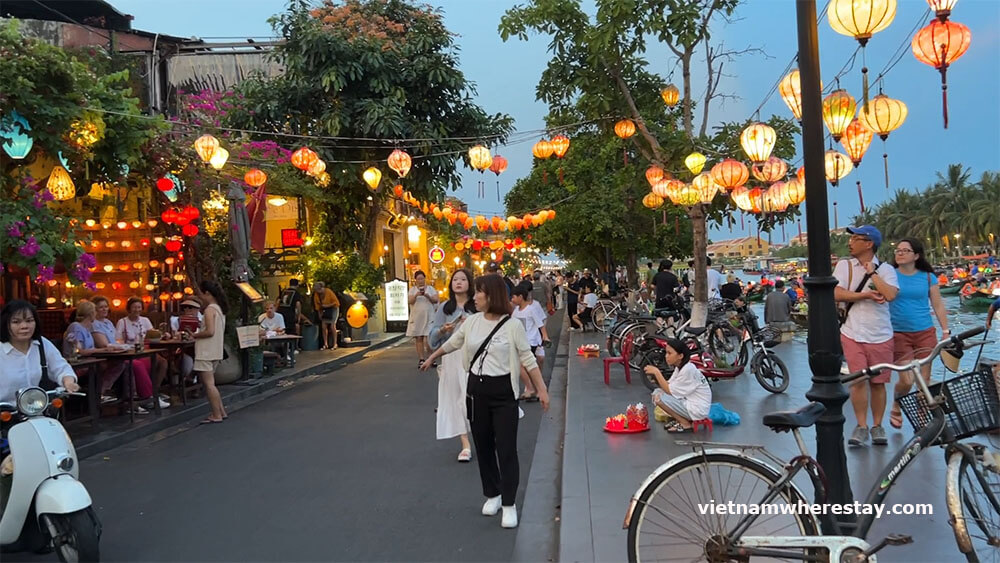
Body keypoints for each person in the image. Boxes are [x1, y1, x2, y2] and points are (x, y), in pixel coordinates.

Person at [419, 274, 549, 529]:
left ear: (492, 295)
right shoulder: (472, 322)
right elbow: (453, 343)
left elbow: (527, 358)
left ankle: (509, 504)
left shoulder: (512, 326)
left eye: (479, 292)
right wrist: (431, 357)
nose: (475, 296)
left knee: (506, 449)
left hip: (504, 393)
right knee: (484, 447)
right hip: (477, 391)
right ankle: (493, 494)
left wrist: (541, 390)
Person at [834, 225, 899, 447]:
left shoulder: (886, 269)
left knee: (879, 383)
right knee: (858, 381)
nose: (850, 242)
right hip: (852, 331)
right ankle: (861, 425)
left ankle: (877, 425)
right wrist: (865, 295)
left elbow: (890, 294)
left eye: (856, 239)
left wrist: (872, 273)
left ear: (869, 243)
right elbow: (836, 293)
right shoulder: (845, 266)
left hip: (880, 333)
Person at [887, 238, 951, 431]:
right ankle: (897, 403)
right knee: (906, 381)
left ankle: (922, 420)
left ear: (916, 255)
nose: (900, 253)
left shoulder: (928, 277)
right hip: (898, 333)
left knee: (923, 381)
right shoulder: (890, 275)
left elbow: (937, 304)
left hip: (925, 332)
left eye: (905, 250)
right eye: (898, 250)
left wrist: (945, 331)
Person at [428, 269, 476, 463]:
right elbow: (432, 339)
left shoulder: (477, 306)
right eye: (455, 279)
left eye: (463, 279)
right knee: (455, 400)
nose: (459, 282)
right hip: (451, 357)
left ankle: (483, 436)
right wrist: (442, 330)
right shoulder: (445, 308)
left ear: (469, 283)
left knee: (473, 399)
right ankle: (465, 444)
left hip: (474, 357)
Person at [1, 300, 80, 405]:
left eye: (29, 321)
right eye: (16, 322)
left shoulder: (42, 344)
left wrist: (68, 382)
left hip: (38, 407)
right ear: (5, 324)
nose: (24, 326)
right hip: (6, 411)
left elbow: (61, 368)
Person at [643, 338, 711, 432]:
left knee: (659, 398)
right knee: (658, 392)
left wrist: (657, 373)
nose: (666, 356)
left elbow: (669, 390)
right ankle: (682, 419)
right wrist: (656, 378)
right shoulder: (680, 367)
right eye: (666, 353)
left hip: (697, 409)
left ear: (680, 356)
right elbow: (668, 384)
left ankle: (684, 423)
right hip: (690, 403)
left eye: (669, 353)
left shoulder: (688, 370)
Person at [115, 297, 169, 410]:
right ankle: (148, 396)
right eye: (134, 307)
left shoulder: (145, 320)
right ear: (129, 308)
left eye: (139, 307)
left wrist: (163, 335)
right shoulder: (122, 322)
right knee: (139, 366)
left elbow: (152, 335)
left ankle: (155, 391)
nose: (137, 310)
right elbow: (118, 340)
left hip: (145, 350)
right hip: (130, 352)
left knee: (162, 362)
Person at [192, 280, 228, 424]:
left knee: (209, 385)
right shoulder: (219, 309)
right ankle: (221, 411)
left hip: (205, 350)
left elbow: (210, 331)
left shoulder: (209, 310)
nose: (200, 296)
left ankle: (216, 414)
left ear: (207, 293)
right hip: (216, 349)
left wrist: (194, 335)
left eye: (201, 293)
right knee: (211, 383)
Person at [512, 284, 548, 401]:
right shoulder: (516, 311)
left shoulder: (531, 309)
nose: (512, 300)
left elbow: (540, 324)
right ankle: (534, 388)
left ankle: (532, 388)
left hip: (531, 341)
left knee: (525, 366)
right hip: (520, 342)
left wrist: (545, 337)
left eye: (513, 297)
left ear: (520, 297)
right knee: (525, 366)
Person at [88, 296, 128, 404]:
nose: (104, 309)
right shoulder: (94, 324)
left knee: (130, 363)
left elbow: (117, 340)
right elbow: (103, 344)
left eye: (106, 306)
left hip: (116, 354)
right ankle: (101, 392)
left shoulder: (108, 322)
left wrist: (123, 346)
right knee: (123, 364)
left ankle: (132, 398)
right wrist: (119, 346)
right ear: (95, 310)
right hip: (102, 357)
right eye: (101, 307)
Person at [407, 270, 440, 368]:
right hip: (417, 317)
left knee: (429, 338)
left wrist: (427, 295)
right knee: (419, 338)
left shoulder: (431, 289)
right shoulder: (412, 290)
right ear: (415, 280)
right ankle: (421, 359)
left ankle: (431, 357)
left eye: (422, 278)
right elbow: (410, 301)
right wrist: (416, 295)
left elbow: (436, 300)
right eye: (418, 279)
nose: (420, 281)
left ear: (425, 279)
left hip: (429, 316)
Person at [312, 281, 340, 350]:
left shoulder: (328, 292)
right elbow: (317, 306)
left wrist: (327, 305)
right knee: (323, 327)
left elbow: (336, 302)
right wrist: (319, 314)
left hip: (333, 309)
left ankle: (335, 343)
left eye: (319, 289)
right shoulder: (316, 294)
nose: (318, 292)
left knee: (332, 326)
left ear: (322, 288)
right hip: (324, 310)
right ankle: (325, 344)